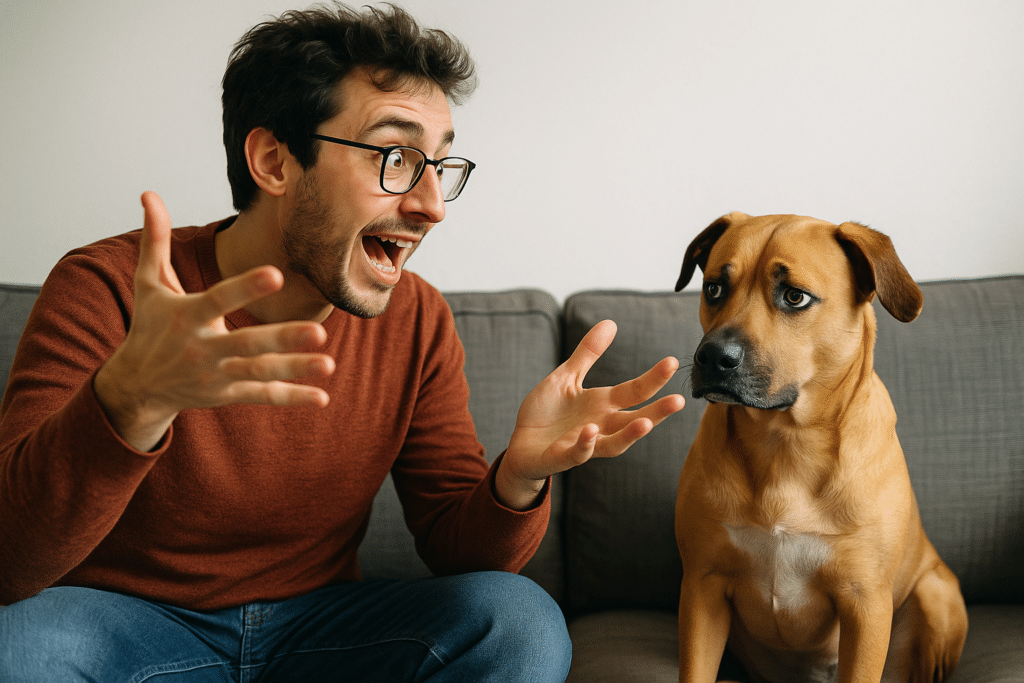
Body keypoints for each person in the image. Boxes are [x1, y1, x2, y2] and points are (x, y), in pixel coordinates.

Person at [0, 4, 685, 681]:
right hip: (130, 631)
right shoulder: (108, 288)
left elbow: (456, 546)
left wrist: (519, 476)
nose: (431, 205)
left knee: (519, 619)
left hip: (321, 634)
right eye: (395, 156)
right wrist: (129, 400)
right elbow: (11, 560)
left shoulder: (415, 319)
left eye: (440, 165)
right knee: (19, 644)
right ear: (274, 160)